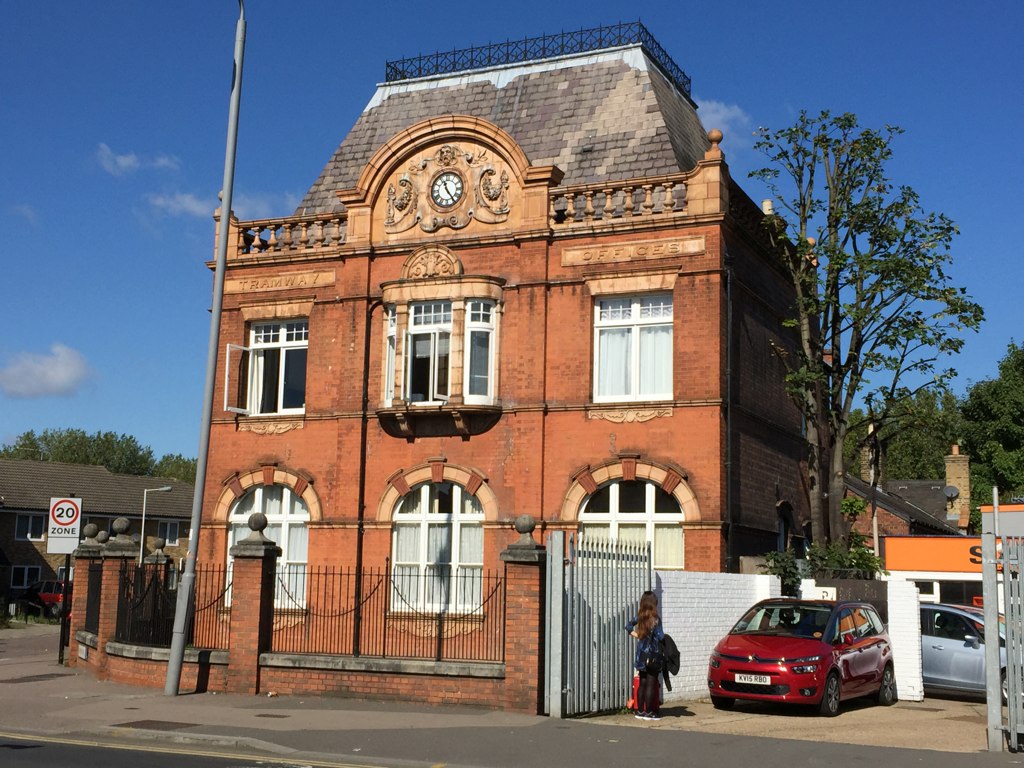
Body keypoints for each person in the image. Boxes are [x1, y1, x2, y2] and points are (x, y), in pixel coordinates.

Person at [626, 590, 665, 721]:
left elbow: (628, 626)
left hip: (641, 654)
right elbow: (661, 636)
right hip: (652, 655)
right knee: (651, 682)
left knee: (642, 682)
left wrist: (637, 635)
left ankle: (639, 711)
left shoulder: (640, 616)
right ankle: (650, 712)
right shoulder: (655, 619)